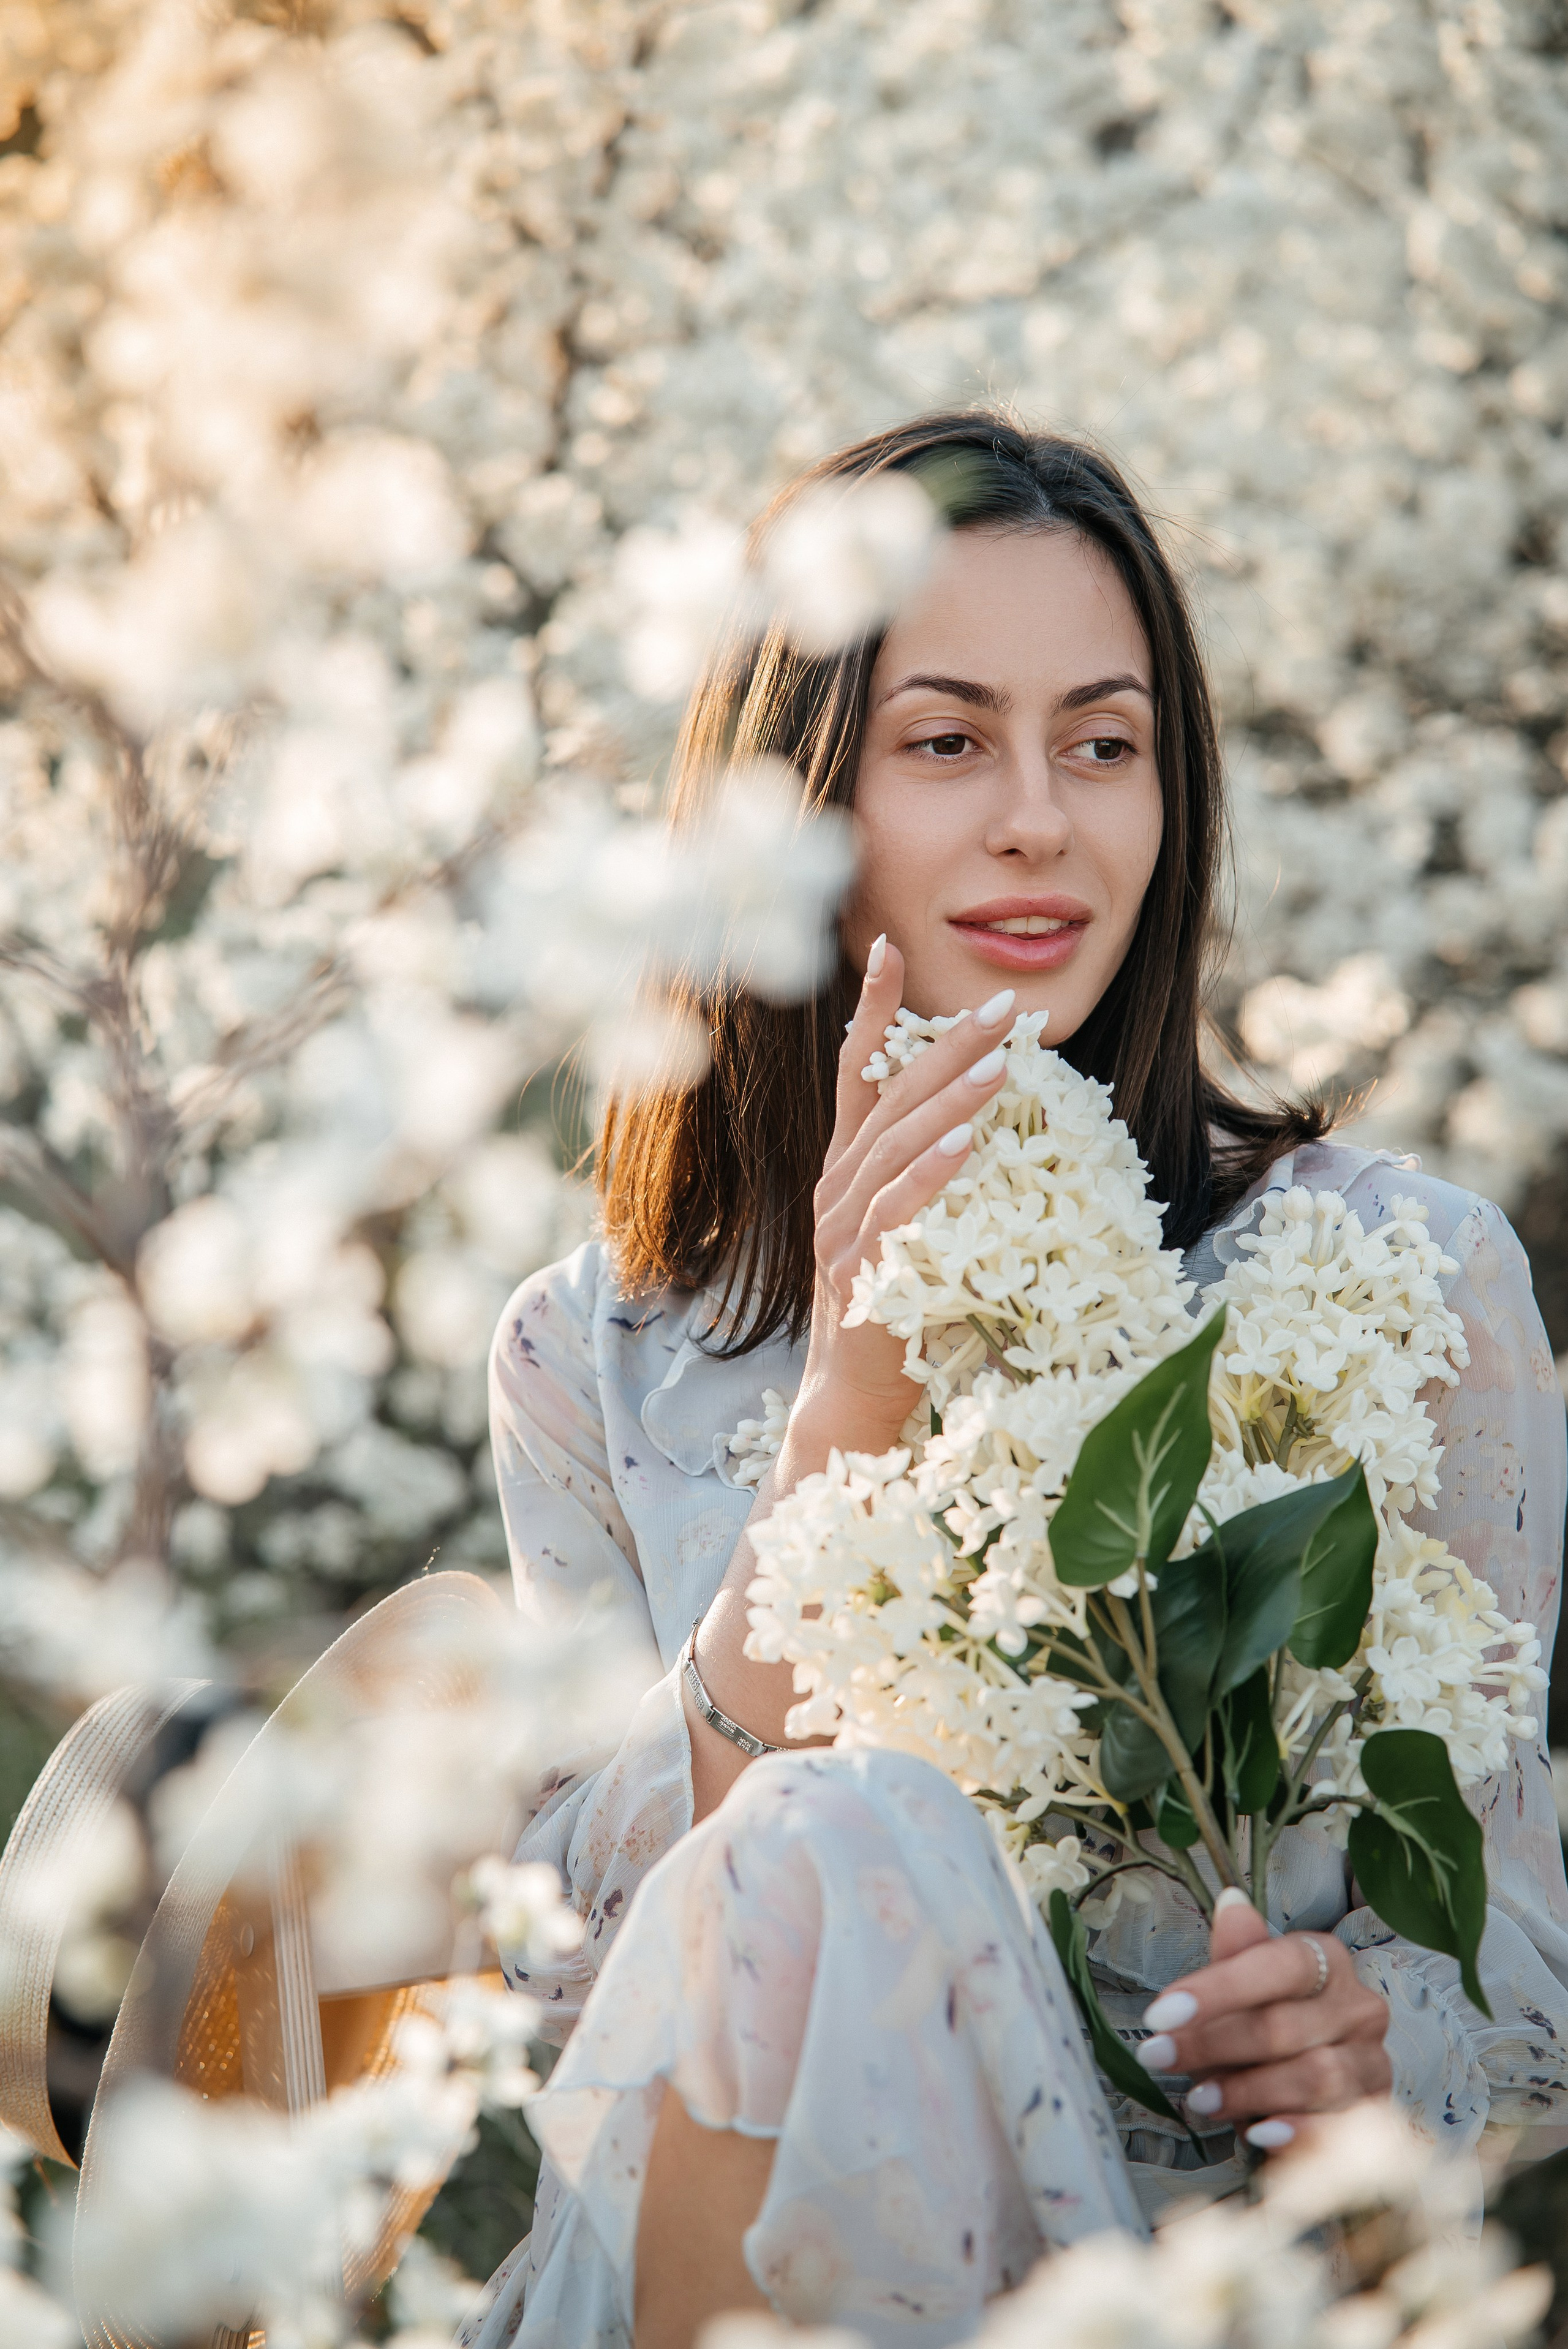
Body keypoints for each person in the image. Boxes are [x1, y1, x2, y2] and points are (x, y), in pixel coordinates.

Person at [461, 415, 1568, 2349]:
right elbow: (583, 2001)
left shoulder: (1406, 1281)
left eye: (1106, 741)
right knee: (825, 1837)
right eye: (950, 740)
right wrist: (841, 1433)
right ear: (801, 798)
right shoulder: (596, 1355)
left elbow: (1528, 1964)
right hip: (713, 2288)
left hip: (1193, 2291)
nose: (1043, 818)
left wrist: (1381, 2046)